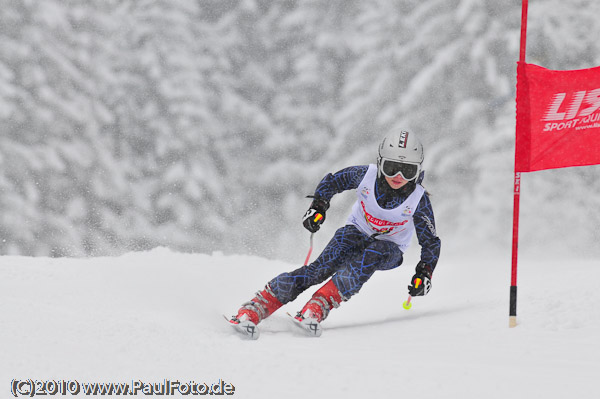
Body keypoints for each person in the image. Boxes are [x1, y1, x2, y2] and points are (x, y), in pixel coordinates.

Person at [228, 129, 441, 337]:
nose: (398, 176)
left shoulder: (418, 200)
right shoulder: (365, 176)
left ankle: (318, 305)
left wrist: (424, 273)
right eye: (391, 167)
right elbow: (333, 182)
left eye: (408, 171)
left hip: (390, 249)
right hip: (355, 232)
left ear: (417, 172)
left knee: (373, 253)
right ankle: (257, 306)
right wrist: (318, 207)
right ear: (380, 163)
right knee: (318, 270)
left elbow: (430, 241)